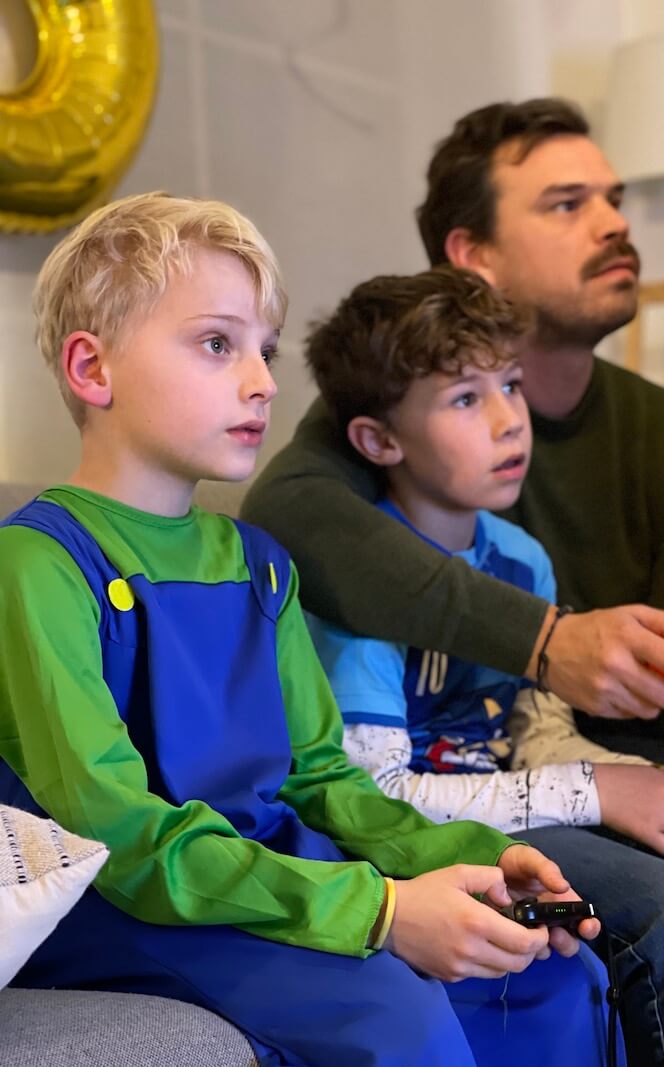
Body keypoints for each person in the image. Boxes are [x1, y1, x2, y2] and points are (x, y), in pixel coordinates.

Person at [0, 192, 616, 1067]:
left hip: (272, 874)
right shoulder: (36, 564)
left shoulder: (261, 563)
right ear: (92, 368)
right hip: (131, 900)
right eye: (218, 344)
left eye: (266, 348)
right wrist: (382, 910)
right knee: (395, 1015)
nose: (263, 381)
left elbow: (323, 780)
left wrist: (485, 857)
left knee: (550, 978)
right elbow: (119, 835)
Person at [241, 97, 664, 843]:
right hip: (476, 767)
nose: (614, 223)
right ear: (474, 254)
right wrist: (547, 641)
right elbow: (285, 514)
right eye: (567, 205)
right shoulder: (396, 403)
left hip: (608, 744)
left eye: (613, 199)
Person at [299, 264, 664, 1067]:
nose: (510, 421)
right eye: (466, 399)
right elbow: (375, 792)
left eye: (510, 385)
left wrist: (660, 789)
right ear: (379, 441)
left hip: (527, 811)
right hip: (418, 838)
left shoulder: (519, 556)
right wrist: (600, 790)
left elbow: (536, 727)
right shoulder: (362, 586)